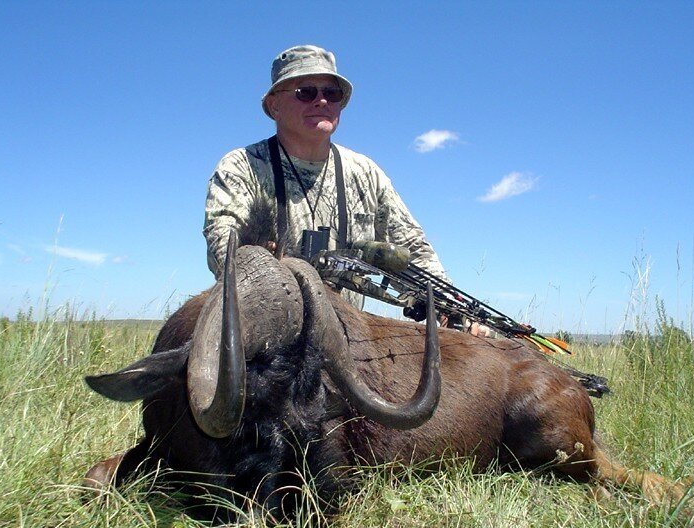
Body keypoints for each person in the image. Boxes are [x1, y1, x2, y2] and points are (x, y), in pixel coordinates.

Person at [203, 44, 489, 335]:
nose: (322, 101)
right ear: (274, 105)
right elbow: (223, 249)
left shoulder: (365, 172)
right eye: (306, 92)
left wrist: (452, 309)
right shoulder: (243, 166)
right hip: (269, 337)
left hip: (348, 337)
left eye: (332, 93)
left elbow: (413, 249)